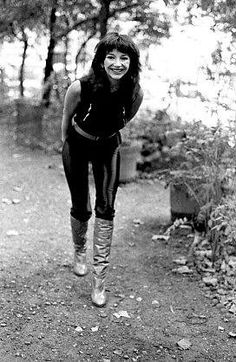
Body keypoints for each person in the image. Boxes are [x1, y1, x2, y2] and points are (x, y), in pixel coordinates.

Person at [61, 32, 143, 307]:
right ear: (101, 60)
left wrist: (105, 132)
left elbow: (125, 118)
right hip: (77, 143)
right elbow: (66, 116)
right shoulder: (80, 86)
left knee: (106, 208)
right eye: (111, 57)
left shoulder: (134, 91)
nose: (117, 63)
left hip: (108, 147)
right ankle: (79, 251)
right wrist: (67, 144)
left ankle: (99, 283)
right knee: (81, 206)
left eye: (124, 58)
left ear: (132, 62)